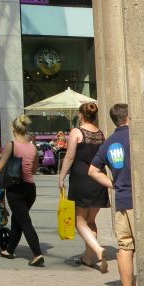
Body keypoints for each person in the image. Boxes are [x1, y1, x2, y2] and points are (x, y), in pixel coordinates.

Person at [89, 103, 138, 286]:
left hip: (121, 199)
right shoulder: (135, 138)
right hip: (138, 201)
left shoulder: (110, 143)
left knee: (124, 247)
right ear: (128, 117)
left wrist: (113, 184)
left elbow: (92, 170)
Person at [58, 101, 110, 272]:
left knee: (79, 221)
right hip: (98, 177)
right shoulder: (101, 134)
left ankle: (97, 250)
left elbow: (70, 156)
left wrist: (62, 176)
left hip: (81, 178)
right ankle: (88, 258)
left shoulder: (77, 132)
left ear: (81, 115)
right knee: (91, 220)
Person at [0, 114, 44, 267]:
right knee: (18, 219)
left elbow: (0, 166)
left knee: (25, 222)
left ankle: (37, 254)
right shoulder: (32, 147)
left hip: (16, 188)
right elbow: (33, 169)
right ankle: (9, 250)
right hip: (30, 189)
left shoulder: (11, 145)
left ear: (14, 129)